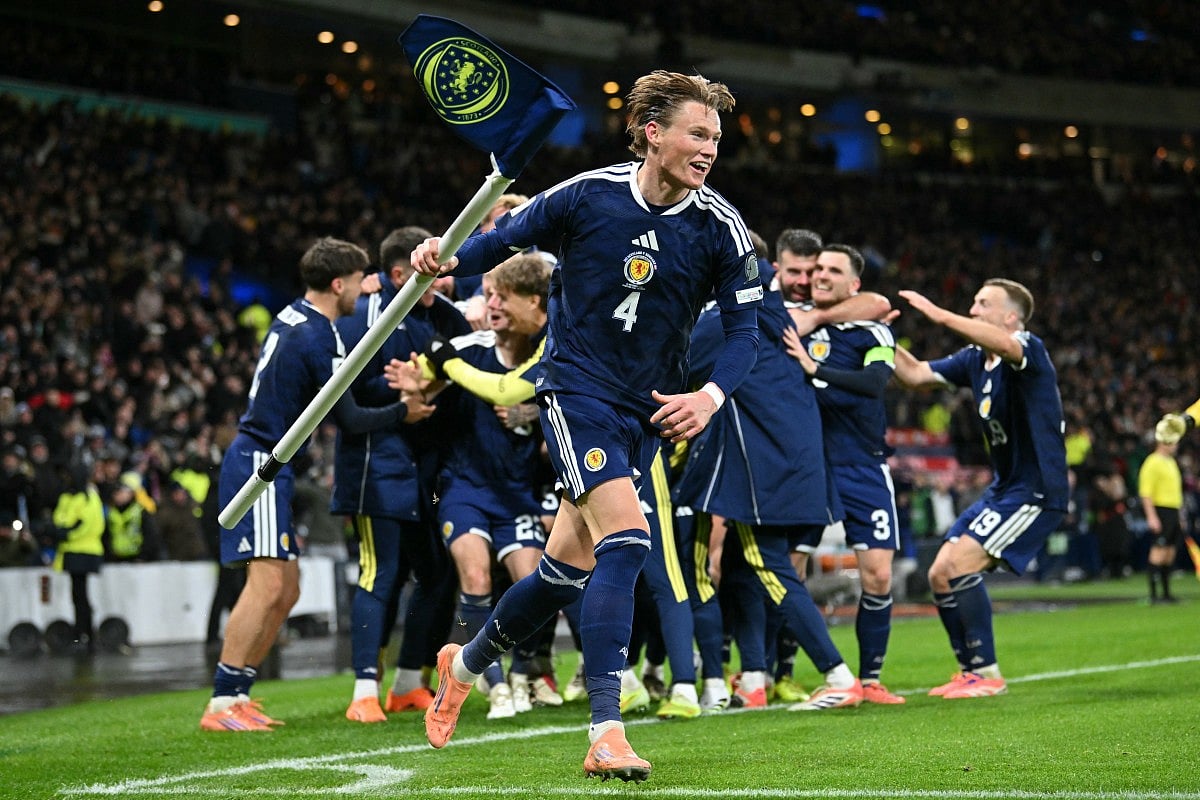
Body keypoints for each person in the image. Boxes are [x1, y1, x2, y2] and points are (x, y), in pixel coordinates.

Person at [410, 70, 762, 782]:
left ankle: (464, 663)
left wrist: (712, 395)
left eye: (717, 139)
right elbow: (504, 241)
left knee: (563, 572)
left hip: (648, 412)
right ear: (652, 133)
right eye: (698, 133)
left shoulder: (719, 225)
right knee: (627, 543)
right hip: (576, 392)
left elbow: (748, 328)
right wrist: (446, 262)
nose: (709, 149)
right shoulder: (586, 193)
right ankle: (606, 729)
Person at [202, 237, 422, 732]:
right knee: (267, 586)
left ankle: (238, 692)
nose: (364, 291)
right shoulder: (319, 336)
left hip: (271, 464)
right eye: (360, 280)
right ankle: (221, 703)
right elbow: (346, 416)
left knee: (288, 590)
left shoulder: (296, 317)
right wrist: (402, 411)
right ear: (339, 283)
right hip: (261, 464)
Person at [892, 278, 1067, 699]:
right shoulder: (974, 359)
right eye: (972, 303)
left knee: (962, 566)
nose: (972, 309)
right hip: (1004, 488)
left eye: (982, 303)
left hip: (1036, 490)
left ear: (1011, 317)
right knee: (939, 573)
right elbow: (915, 375)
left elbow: (1006, 346)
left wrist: (939, 314)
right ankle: (969, 670)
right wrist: (874, 335)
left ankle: (988, 674)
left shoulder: (1027, 347)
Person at [334, 225, 460, 724]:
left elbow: (466, 341)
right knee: (379, 572)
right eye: (431, 270)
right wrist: (403, 402)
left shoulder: (430, 314)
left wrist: (424, 391)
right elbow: (347, 400)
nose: (441, 278)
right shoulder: (366, 317)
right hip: (375, 466)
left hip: (421, 471)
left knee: (434, 572)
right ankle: (365, 688)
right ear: (397, 273)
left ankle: (409, 681)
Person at [781, 243, 905, 705]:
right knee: (789, 568)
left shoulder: (873, 333)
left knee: (876, 575)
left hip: (862, 464)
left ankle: (870, 679)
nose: (821, 276)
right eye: (818, 269)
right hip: (807, 465)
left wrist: (815, 367)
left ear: (855, 283)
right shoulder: (791, 318)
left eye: (834, 270)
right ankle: (784, 673)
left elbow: (875, 384)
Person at [52, 464, 106, 653]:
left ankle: (85, 636)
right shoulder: (69, 496)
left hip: (84, 551)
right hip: (73, 551)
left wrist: (66, 533)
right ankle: (83, 635)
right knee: (78, 595)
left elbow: (90, 524)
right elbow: (60, 519)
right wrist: (63, 530)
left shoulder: (88, 496)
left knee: (80, 596)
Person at [1138, 419, 1184, 603]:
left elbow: (1175, 492)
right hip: (1161, 511)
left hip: (1173, 511)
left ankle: (1166, 594)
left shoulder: (1171, 462)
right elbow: (1146, 493)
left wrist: (1179, 516)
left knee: (1169, 552)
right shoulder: (1152, 463)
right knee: (1158, 551)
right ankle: (1154, 595)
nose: (1176, 445)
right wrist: (1151, 516)